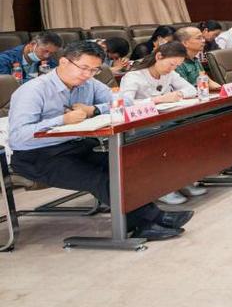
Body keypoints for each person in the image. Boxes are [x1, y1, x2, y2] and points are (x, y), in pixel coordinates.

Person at [7, 41, 191, 241]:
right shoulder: (33, 90)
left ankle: (153, 217)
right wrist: (61, 120)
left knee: (123, 167)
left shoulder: (88, 83)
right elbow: (19, 137)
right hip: (37, 156)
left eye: (94, 70)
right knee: (99, 178)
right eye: (83, 68)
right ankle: (144, 224)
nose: (87, 75)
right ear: (64, 62)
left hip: (77, 147)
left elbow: (124, 102)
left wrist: (94, 110)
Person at [120, 41, 206, 205]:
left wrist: (178, 94)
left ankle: (182, 181)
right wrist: (157, 100)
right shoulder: (134, 76)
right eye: (171, 64)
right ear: (159, 56)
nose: (172, 69)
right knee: (168, 139)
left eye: (177, 66)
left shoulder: (170, 74)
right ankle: (162, 187)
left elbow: (191, 89)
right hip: (138, 126)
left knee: (187, 132)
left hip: (163, 120)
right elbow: (125, 104)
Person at [174, 26, 219, 92]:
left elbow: (208, 82)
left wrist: (224, 89)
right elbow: (185, 90)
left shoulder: (195, 59)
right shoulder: (177, 63)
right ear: (185, 43)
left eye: (203, 37)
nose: (203, 41)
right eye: (198, 38)